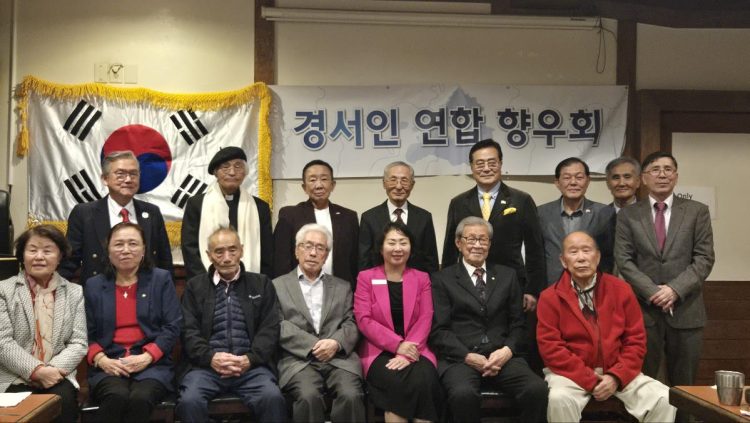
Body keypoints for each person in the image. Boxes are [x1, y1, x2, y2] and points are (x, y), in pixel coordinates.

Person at [537, 231, 676, 423]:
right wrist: (591, 380)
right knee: (559, 399)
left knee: (664, 398)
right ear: (563, 261)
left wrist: (616, 377)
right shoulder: (549, 297)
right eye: (573, 252)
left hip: (618, 371)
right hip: (571, 375)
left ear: (598, 257)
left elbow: (636, 342)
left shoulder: (621, 290)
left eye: (587, 250)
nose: (581, 258)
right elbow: (551, 349)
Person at [615, 152, 714, 407]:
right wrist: (653, 292)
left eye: (668, 169)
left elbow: (704, 258)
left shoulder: (697, 211)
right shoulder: (628, 215)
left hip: (686, 310)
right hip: (644, 311)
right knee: (643, 384)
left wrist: (674, 290)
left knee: (686, 388)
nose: (662, 175)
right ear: (644, 178)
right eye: (655, 169)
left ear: (676, 176)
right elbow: (624, 260)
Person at [430, 217, 547, 423]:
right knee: (462, 395)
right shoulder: (442, 279)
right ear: (458, 243)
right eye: (471, 239)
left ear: (490, 244)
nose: (477, 245)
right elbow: (440, 330)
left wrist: (507, 351)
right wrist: (467, 356)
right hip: (461, 358)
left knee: (536, 389)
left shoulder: (507, 275)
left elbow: (518, 324)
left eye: (483, 239)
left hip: (503, 355)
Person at [177, 226, 285, 423]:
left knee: (272, 398)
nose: (227, 258)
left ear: (241, 250)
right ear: (209, 255)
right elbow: (188, 331)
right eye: (219, 252)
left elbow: (270, 329)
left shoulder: (261, 284)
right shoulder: (195, 287)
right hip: (206, 368)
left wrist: (250, 359)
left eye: (232, 250)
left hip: (251, 369)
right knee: (189, 401)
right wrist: (210, 358)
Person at [84, 222, 182, 423]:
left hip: (152, 364)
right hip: (109, 363)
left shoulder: (160, 279)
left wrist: (147, 357)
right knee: (116, 396)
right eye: (119, 244)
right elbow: (85, 332)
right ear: (108, 250)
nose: (126, 250)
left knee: (140, 398)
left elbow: (172, 326)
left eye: (133, 244)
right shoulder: (94, 285)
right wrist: (101, 360)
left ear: (144, 250)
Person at [273, 224, 365, 423]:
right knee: (308, 397)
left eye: (320, 248)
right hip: (298, 360)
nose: (313, 253)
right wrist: (313, 345)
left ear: (326, 255)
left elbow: (352, 322)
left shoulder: (342, 286)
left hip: (338, 359)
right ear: (297, 250)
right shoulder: (277, 286)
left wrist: (335, 343)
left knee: (351, 395)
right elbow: (278, 324)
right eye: (307, 246)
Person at [442, 138, 545, 312]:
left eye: (492, 163)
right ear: (472, 167)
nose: (486, 168)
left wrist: (532, 289)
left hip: (512, 284)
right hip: (468, 286)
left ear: (500, 164)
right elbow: (450, 250)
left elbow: (535, 249)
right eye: (480, 163)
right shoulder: (458, 203)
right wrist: (446, 285)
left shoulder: (521, 200)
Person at [354, 222, 443, 423]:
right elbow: (363, 319)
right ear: (381, 248)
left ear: (411, 247)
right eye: (391, 242)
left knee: (426, 379)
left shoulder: (422, 278)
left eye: (403, 242)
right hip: (378, 350)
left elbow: (426, 316)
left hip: (416, 348)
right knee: (398, 381)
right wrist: (397, 345)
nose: (397, 248)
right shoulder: (366, 278)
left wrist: (408, 350)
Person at [0, 225, 87, 423]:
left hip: (57, 374)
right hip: (12, 376)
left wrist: (51, 371)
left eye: (47, 251)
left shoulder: (74, 292)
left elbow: (78, 342)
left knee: (64, 403)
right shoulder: (3, 290)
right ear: (22, 256)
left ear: (60, 256)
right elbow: (3, 342)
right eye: (32, 250)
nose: (39, 257)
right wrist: (36, 371)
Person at [60, 150, 173, 283]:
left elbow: (164, 260)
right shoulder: (84, 213)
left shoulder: (152, 212)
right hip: (98, 291)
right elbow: (69, 260)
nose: (128, 179)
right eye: (120, 174)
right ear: (105, 179)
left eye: (133, 174)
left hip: (146, 290)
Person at [181, 146, 273, 279]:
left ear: (245, 173)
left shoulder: (259, 207)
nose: (232, 172)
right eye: (225, 167)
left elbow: (267, 252)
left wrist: (259, 283)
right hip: (206, 282)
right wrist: (204, 282)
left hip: (250, 284)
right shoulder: (196, 204)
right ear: (216, 173)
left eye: (238, 166)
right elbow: (190, 249)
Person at [274, 160, 359, 284]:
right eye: (312, 180)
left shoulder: (348, 217)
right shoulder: (290, 215)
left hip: (339, 289)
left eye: (324, 179)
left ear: (333, 185)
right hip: (300, 288)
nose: (319, 185)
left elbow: (355, 259)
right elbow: (281, 260)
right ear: (304, 187)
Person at [538, 157, 615, 286]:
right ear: (557, 182)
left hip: (593, 286)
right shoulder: (541, 213)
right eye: (567, 178)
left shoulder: (604, 213)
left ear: (588, 181)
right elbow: (535, 256)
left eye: (579, 177)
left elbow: (609, 256)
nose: (573, 182)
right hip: (552, 286)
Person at [359, 161, 438, 274]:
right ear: (384, 183)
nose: (399, 186)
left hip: (415, 282)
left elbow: (431, 260)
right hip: (379, 281)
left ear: (412, 184)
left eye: (404, 180)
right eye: (393, 180)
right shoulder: (369, 218)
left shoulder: (424, 218)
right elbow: (364, 260)